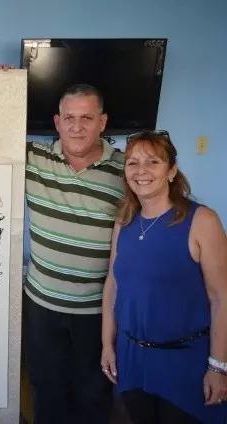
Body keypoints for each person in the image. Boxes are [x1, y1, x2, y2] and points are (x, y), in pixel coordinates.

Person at [101, 130, 227, 423]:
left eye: (153, 162)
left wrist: (219, 366)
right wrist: (107, 344)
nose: (141, 171)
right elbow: (113, 284)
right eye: (132, 163)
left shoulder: (202, 221)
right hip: (131, 357)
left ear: (171, 171)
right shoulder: (124, 220)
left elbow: (221, 298)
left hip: (184, 362)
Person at [23, 84, 123, 423]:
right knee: (47, 391)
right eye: (69, 118)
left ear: (102, 122)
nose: (76, 127)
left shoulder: (126, 170)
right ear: (57, 122)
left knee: (93, 395)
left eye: (87, 118)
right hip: (42, 306)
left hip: (96, 311)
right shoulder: (33, 158)